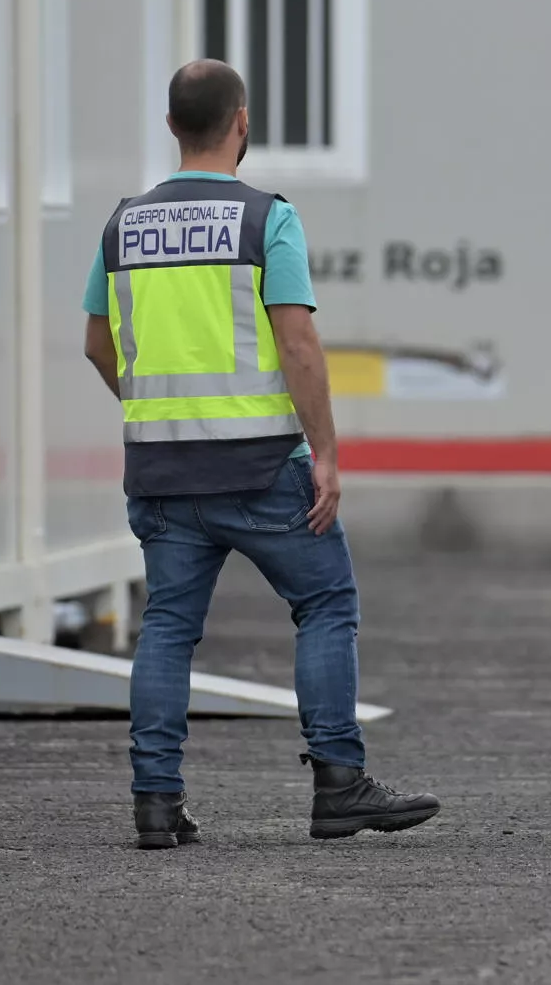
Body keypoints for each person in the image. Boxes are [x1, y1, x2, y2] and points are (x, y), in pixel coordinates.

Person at [81, 58, 439, 850]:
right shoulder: (264, 218)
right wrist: (326, 451)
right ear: (242, 122)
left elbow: (97, 343)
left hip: (162, 471)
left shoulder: (124, 224)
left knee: (168, 626)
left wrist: (151, 410)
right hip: (259, 467)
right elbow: (298, 342)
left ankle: (156, 800)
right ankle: (340, 783)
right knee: (324, 603)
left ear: (171, 125)